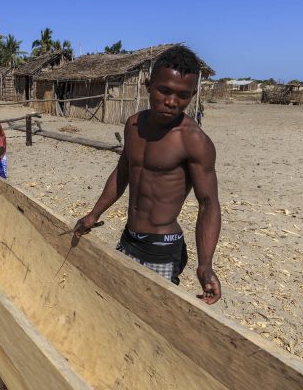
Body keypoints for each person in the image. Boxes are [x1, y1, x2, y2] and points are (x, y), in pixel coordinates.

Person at [75, 45, 222, 304]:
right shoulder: (133, 125)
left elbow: (208, 204)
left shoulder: (194, 141)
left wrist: (205, 264)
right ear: (148, 84)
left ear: (193, 94)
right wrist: (94, 214)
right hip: (129, 237)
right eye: (164, 90)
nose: (172, 102)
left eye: (183, 95)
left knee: (153, 313)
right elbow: (122, 174)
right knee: (118, 303)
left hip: (163, 248)